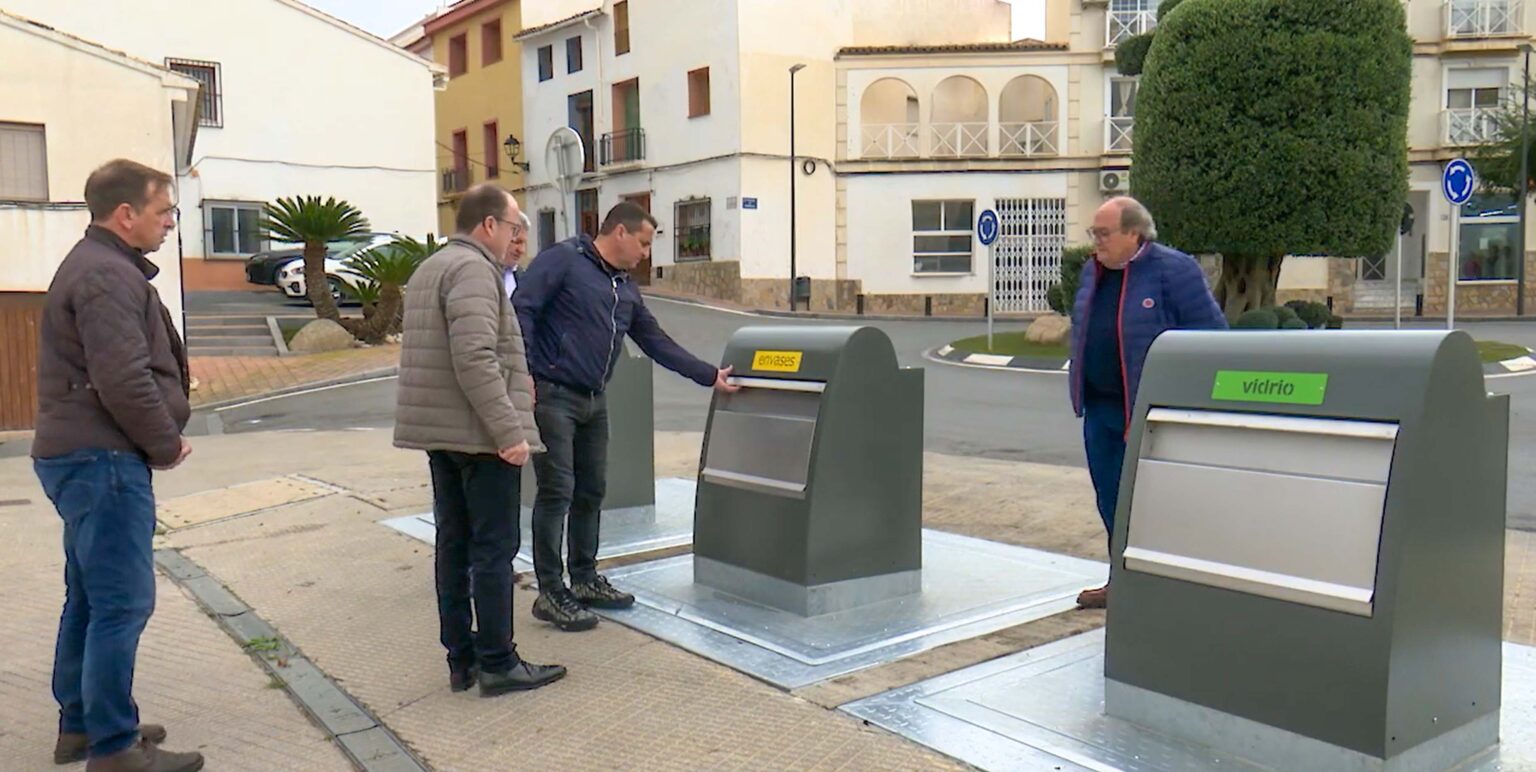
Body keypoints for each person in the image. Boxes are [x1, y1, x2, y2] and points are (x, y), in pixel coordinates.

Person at [31, 159, 202, 772]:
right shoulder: (105, 275)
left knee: (89, 597)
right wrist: (164, 442)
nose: (170, 225)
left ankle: (83, 724)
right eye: (165, 212)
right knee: (122, 603)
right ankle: (113, 747)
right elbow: (122, 378)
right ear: (125, 214)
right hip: (102, 458)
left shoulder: (102, 267)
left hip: (82, 454)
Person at [514, 202, 739, 631]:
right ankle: (550, 591)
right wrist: (523, 370)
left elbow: (656, 342)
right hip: (552, 394)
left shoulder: (625, 287)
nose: (645, 254)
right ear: (619, 232)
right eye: (643, 242)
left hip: (594, 401)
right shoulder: (564, 261)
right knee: (557, 489)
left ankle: (583, 579)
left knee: (592, 489)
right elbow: (522, 307)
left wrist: (710, 376)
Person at [394, 183, 565, 696]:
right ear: (489, 225)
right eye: (515, 228)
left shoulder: (432, 267)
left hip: (443, 433)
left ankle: (461, 657)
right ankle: (498, 661)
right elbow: (475, 357)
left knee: (454, 543)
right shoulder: (473, 270)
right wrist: (509, 432)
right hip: (480, 436)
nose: (518, 238)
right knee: (493, 550)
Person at [1068, 196, 1227, 610]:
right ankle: (1120, 581)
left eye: (1104, 233)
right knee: (1110, 499)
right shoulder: (1093, 272)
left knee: (1154, 504)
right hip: (1100, 410)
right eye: (1094, 233)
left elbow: (1211, 337)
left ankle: (1165, 586)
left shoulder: (1174, 271)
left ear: (1133, 233)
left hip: (1149, 414)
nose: (1096, 241)